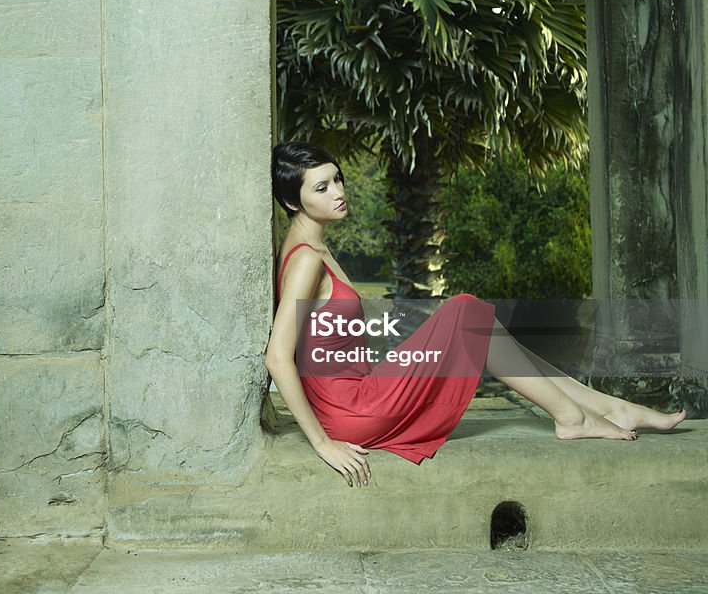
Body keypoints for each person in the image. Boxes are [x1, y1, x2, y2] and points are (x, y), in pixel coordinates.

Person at [266, 142, 687, 488]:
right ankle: (573, 416)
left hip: (360, 391)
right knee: (468, 312)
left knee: (479, 326)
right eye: (320, 188)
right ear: (291, 199)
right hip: (352, 409)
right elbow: (277, 355)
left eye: (337, 179)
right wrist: (322, 443)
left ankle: (606, 408)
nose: (338, 191)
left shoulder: (311, 247)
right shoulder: (306, 260)